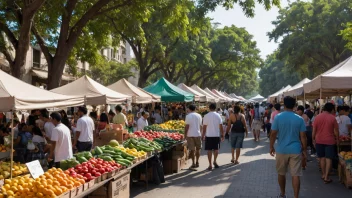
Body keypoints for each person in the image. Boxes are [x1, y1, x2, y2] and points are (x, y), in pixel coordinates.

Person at [270, 96, 307, 198]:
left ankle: (282, 194)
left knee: (281, 173)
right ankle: (296, 196)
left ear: (284, 105)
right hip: (295, 149)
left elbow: (273, 134)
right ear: (294, 105)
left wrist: (271, 147)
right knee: (296, 175)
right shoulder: (299, 119)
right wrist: (304, 150)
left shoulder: (278, 117)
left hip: (281, 149)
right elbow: (303, 136)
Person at [313, 103, 339, 184]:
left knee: (322, 158)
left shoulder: (317, 117)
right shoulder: (333, 118)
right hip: (329, 141)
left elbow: (314, 130)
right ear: (331, 109)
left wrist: (313, 139)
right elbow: (336, 132)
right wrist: (337, 139)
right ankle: (327, 177)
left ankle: (323, 174)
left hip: (319, 140)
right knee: (328, 158)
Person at [202, 103, 224, 171]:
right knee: (216, 149)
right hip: (216, 135)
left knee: (209, 150)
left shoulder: (206, 116)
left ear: (209, 108)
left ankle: (210, 165)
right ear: (215, 108)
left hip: (209, 135)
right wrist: (222, 134)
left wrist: (203, 135)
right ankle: (215, 161)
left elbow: (204, 127)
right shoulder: (218, 115)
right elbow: (221, 126)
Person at [185, 104, 202, 169]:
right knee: (198, 149)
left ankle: (193, 163)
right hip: (197, 134)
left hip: (190, 135)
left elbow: (187, 126)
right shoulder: (199, 115)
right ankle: (197, 162)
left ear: (189, 109)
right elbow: (201, 126)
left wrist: (185, 135)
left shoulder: (188, 116)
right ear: (195, 109)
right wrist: (200, 132)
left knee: (192, 150)